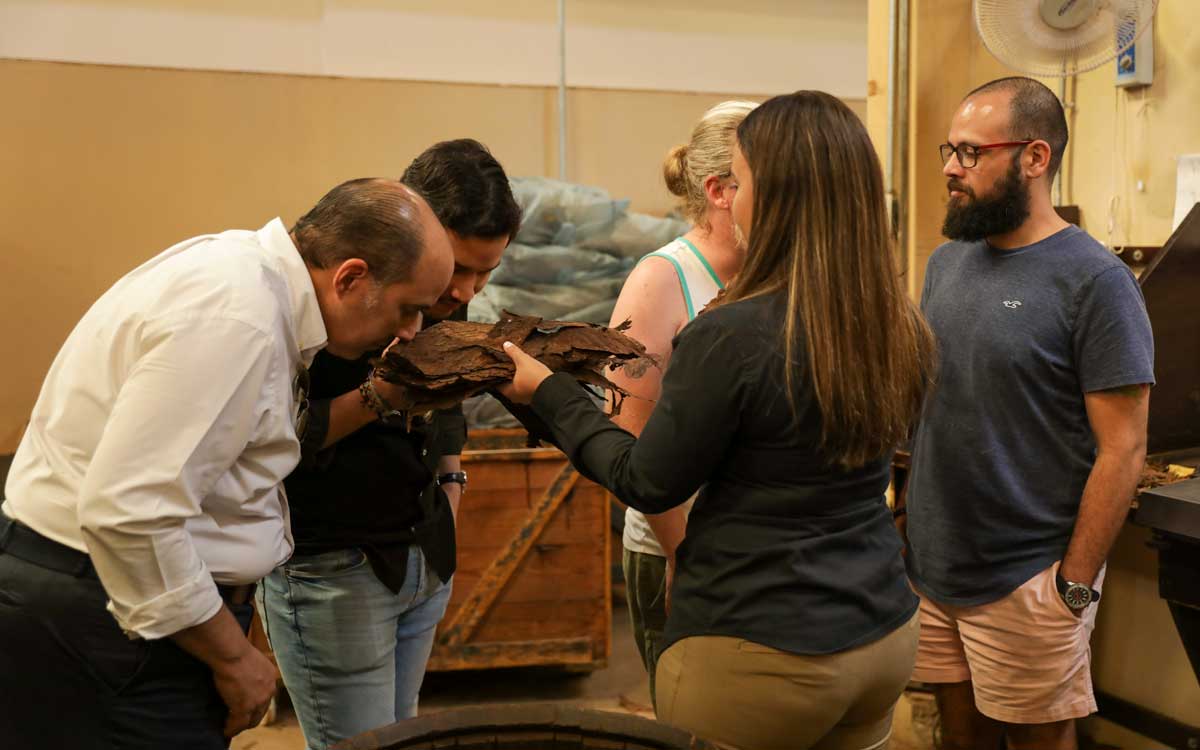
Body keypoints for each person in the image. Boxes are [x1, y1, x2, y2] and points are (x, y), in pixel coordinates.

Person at [500, 90, 936, 750]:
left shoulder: (731, 333)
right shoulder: (895, 320)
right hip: (882, 634)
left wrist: (549, 393)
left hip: (765, 646)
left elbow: (645, 480)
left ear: (774, 196)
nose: (732, 195)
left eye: (745, 179)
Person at [0, 178, 454, 749]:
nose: (410, 331)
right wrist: (234, 655)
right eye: (408, 308)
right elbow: (128, 513)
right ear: (350, 277)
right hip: (103, 612)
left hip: (121, 601)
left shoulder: (247, 280)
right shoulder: (238, 320)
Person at [905, 77, 1154, 750]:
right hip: (932, 571)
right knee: (959, 740)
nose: (951, 168)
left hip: (1026, 578)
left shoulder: (1097, 283)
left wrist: (1073, 586)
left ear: (1034, 158)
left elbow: (1124, 450)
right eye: (948, 150)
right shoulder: (946, 263)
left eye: (970, 152)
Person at [257, 139, 522, 750]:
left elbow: (448, 397)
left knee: (401, 739)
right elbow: (274, 440)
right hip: (333, 566)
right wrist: (381, 398)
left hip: (420, 559)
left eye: (489, 271)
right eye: (458, 268)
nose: (468, 290)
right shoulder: (317, 307)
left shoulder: (444, 302)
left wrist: (451, 480)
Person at [607, 100, 755, 710]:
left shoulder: (779, 270)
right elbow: (632, 436)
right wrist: (685, 555)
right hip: (680, 544)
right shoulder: (661, 280)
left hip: (760, 549)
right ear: (720, 191)